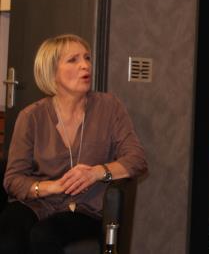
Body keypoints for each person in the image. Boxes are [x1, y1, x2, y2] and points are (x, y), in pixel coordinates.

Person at [0, 34, 148, 254]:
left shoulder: (109, 107)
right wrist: (52, 186)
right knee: (8, 235)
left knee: (44, 235)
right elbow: (13, 180)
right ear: (51, 72)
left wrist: (97, 172)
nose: (85, 65)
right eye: (73, 60)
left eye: (87, 58)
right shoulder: (31, 116)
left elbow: (137, 159)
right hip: (39, 204)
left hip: (86, 211)